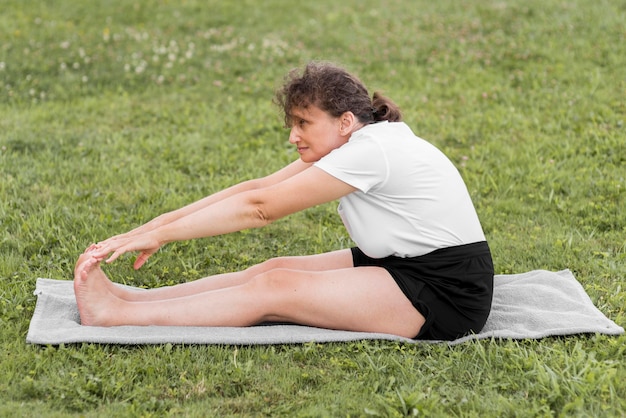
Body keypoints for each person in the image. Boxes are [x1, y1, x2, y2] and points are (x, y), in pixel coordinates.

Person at [74, 61, 494, 340]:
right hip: (403, 262)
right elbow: (255, 188)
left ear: (345, 122)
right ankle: (129, 300)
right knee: (272, 268)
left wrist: (164, 235)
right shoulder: (356, 145)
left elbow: (262, 209)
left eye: (303, 123)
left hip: (445, 290)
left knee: (275, 289)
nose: (293, 136)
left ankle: (116, 317)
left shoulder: (371, 152)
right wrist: (151, 228)